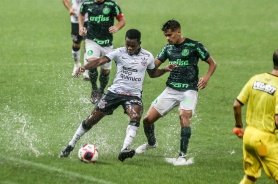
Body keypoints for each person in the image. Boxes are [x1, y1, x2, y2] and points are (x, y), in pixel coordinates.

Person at [59, 29, 177, 162]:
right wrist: (84, 67)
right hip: (114, 93)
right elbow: (99, 61)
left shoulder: (147, 56)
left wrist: (165, 70)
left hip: (133, 95)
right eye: (127, 44)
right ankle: (70, 144)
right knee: (91, 120)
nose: (130, 48)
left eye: (133, 45)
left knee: (136, 115)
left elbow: (152, 73)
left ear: (140, 43)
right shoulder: (119, 52)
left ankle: (124, 149)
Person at [135, 19, 217, 165]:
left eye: (170, 35)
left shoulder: (194, 46)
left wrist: (206, 77)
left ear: (178, 32)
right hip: (171, 91)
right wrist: (164, 69)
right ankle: (152, 143)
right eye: (166, 35)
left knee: (184, 116)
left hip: (188, 92)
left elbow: (212, 63)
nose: (167, 38)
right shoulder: (167, 49)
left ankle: (182, 156)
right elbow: (152, 73)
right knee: (147, 121)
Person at [233, 48, 278, 184]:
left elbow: (236, 105)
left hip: (249, 137)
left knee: (250, 176)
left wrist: (239, 125)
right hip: (265, 142)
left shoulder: (256, 79)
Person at [78, 0, 126, 104]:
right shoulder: (87, 4)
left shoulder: (112, 5)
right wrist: (81, 26)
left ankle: (101, 90)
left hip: (107, 43)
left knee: (105, 71)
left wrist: (117, 27)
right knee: (92, 63)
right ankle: (94, 88)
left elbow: (122, 20)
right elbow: (81, 14)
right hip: (91, 40)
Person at [62, 0, 90, 80]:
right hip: (75, 18)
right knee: (76, 43)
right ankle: (76, 64)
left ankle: (86, 69)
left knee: (87, 43)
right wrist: (69, 8)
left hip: (89, 18)